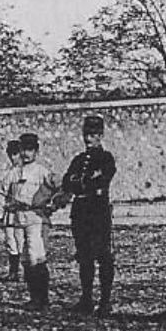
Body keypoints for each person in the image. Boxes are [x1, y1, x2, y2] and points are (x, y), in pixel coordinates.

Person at [3, 132, 70, 311]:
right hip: (19, 219)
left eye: (30, 150)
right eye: (23, 149)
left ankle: (43, 298)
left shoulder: (42, 172)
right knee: (25, 258)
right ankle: (34, 297)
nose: (26, 154)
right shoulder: (14, 173)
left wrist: (53, 204)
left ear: (36, 151)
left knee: (36, 256)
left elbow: (62, 187)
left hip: (36, 218)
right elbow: (2, 193)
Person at [61, 115, 118, 316]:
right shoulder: (78, 159)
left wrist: (82, 182)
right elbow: (67, 183)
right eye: (86, 134)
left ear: (101, 136)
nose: (88, 139)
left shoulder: (106, 158)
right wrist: (82, 181)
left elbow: (103, 180)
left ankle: (105, 301)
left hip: (98, 212)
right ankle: (86, 299)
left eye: (93, 135)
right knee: (84, 256)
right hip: (81, 212)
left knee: (103, 256)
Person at [0, 139, 25, 283]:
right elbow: (2, 193)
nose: (13, 158)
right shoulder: (10, 173)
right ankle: (13, 271)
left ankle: (27, 271)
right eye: (11, 155)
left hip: (23, 213)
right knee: (11, 241)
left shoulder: (30, 171)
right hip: (10, 213)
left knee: (22, 241)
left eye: (15, 154)